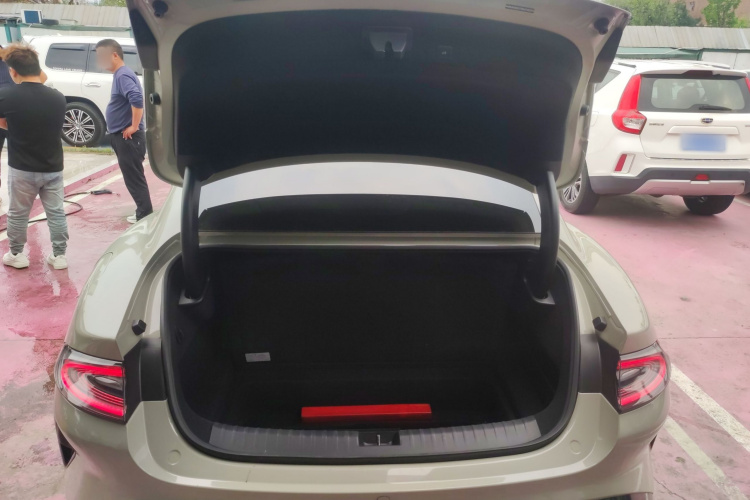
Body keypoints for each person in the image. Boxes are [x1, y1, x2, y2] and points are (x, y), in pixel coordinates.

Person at [0, 44, 68, 270]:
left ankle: (16, 254)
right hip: (53, 167)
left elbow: (3, 123)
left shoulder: (7, 96)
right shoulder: (58, 98)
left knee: (18, 214)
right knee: (56, 213)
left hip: (22, 169)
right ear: (38, 68)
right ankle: (59, 256)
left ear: (13, 71)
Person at [95, 38, 152, 223]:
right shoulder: (121, 74)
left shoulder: (122, 75)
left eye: (101, 55)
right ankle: (144, 211)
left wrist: (134, 125)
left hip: (128, 137)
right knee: (134, 177)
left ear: (114, 55)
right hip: (124, 137)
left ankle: (144, 214)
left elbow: (136, 97)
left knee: (134, 178)